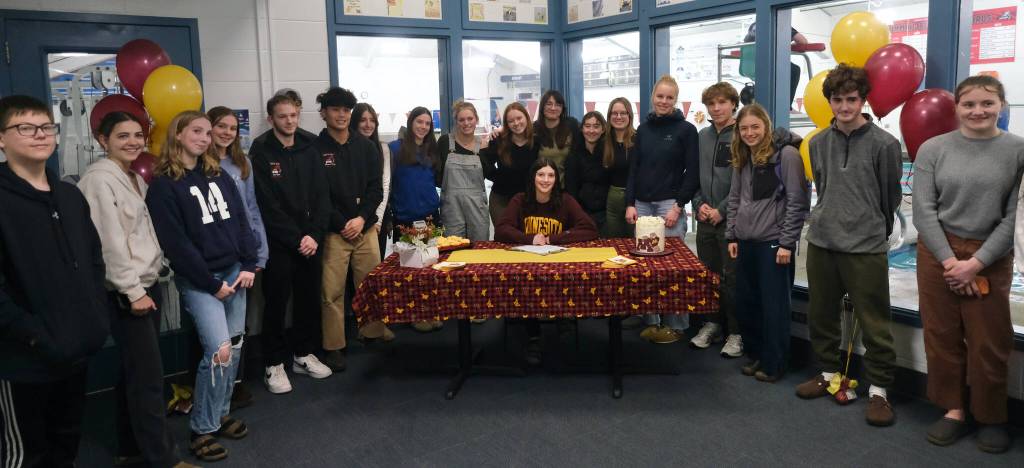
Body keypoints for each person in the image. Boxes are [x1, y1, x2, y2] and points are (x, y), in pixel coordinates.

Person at [0, 95, 110, 468]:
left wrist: (95, 317)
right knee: (27, 455)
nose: (39, 135)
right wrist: (36, 336)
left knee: (66, 443)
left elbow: (94, 261)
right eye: (25, 127)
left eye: (46, 127)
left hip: (75, 351)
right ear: (2, 138)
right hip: (24, 360)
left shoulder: (69, 195)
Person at [915, 75, 1024, 453]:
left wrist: (975, 263)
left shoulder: (1017, 151)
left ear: (1001, 106)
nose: (978, 111)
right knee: (941, 335)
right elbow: (923, 210)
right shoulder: (933, 149)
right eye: (969, 104)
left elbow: (1015, 216)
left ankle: (992, 416)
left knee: (990, 341)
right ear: (957, 107)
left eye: (987, 103)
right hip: (937, 251)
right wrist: (950, 262)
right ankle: (953, 409)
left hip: (990, 255)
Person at [79, 111, 190, 468]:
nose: (132, 142)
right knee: (148, 379)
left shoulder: (130, 177)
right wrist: (132, 292)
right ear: (102, 140)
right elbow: (108, 244)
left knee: (134, 372)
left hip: (145, 285)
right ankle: (164, 459)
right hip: (129, 293)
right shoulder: (99, 180)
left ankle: (129, 447)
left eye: (137, 135)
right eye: (122, 136)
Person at [146, 110, 258, 462]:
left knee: (235, 349)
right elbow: (176, 244)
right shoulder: (164, 185)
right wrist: (211, 284)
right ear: (177, 135)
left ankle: (220, 413)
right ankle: (202, 429)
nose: (204, 138)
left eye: (208, 133)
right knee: (218, 352)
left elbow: (241, 221)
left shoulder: (218, 174)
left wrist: (250, 263)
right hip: (201, 280)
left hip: (235, 272)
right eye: (196, 131)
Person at [796, 64, 902, 427]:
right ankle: (828, 373)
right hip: (824, 240)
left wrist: (873, 229)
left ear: (863, 100)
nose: (844, 106)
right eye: (838, 100)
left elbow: (890, 196)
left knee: (875, 322)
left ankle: (879, 391)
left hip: (865, 245)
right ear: (829, 102)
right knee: (821, 314)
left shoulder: (885, 144)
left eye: (852, 99)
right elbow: (822, 188)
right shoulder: (819, 143)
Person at [251, 93, 334, 395]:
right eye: (282, 116)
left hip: (311, 240)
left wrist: (313, 234)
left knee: (308, 299)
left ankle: (302, 354)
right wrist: (296, 237)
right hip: (279, 242)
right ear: (271, 118)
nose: (289, 121)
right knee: (275, 302)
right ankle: (273, 363)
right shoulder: (261, 150)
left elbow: (322, 195)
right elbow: (266, 205)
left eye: (294, 115)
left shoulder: (310, 144)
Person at [725, 104, 809, 383]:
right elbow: (735, 198)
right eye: (744, 128)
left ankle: (776, 362)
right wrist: (732, 234)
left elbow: (798, 202)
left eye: (755, 127)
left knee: (774, 306)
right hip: (746, 241)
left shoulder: (786, 156)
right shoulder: (743, 156)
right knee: (749, 304)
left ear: (766, 127)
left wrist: (787, 243)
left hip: (774, 243)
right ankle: (758, 355)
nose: (750, 133)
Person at [313, 87, 390, 369]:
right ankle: (334, 346)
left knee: (370, 285)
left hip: (365, 228)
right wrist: (342, 223)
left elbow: (375, 189)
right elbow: (317, 195)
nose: (342, 115)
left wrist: (361, 218)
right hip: (335, 233)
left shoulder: (365, 147)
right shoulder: (315, 149)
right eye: (335, 110)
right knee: (331, 292)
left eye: (346, 110)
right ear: (324, 113)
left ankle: (372, 334)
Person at [495, 158, 598, 364]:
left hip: (557, 260)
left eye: (551, 175)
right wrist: (529, 238)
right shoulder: (520, 199)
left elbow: (590, 228)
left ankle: (563, 320)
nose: (545, 179)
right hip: (526, 261)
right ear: (533, 177)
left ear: (556, 179)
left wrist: (553, 238)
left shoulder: (566, 200)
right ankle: (533, 335)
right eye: (540, 174)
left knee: (563, 278)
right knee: (526, 283)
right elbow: (501, 229)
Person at [625, 74, 701, 344]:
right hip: (642, 205)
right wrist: (630, 204)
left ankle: (678, 325)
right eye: (660, 96)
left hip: (670, 204)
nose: (664, 101)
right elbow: (633, 169)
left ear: (676, 100)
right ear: (652, 97)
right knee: (646, 265)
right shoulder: (643, 129)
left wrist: (678, 206)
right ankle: (652, 321)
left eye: (669, 97)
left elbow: (692, 173)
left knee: (672, 267)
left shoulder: (686, 130)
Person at [208, 105, 268, 411]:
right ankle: (212, 388)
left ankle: (236, 383)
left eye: (232, 128)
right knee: (213, 330)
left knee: (238, 326)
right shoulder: (199, 166)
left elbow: (252, 208)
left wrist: (261, 251)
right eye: (221, 126)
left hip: (244, 252)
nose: (227, 132)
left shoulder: (241, 164)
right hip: (215, 254)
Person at [690, 82, 742, 357]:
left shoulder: (742, 135)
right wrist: (698, 205)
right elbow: (696, 177)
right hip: (704, 219)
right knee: (708, 276)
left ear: (733, 104)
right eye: (712, 104)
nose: (717, 108)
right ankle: (712, 324)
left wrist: (721, 210)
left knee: (731, 278)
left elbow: (741, 183)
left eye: (722, 102)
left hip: (730, 220)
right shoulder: (703, 136)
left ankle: (735, 332)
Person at [389, 106, 443, 332]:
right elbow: (387, 183)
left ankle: (431, 310)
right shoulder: (395, 148)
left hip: (430, 216)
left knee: (431, 266)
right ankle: (414, 313)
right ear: (411, 122)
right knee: (411, 269)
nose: (423, 127)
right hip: (406, 216)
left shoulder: (432, 150)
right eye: (419, 122)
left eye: (427, 123)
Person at [435, 100, 490, 241]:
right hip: (451, 208)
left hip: (477, 208)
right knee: (452, 249)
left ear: (476, 119)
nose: (466, 123)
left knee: (479, 250)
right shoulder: (445, 142)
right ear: (456, 122)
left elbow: (491, 173)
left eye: (470, 118)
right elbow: (437, 175)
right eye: (461, 120)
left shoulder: (484, 146)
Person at [483, 102, 537, 224]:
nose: (516, 123)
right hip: (501, 199)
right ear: (506, 124)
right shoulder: (498, 141)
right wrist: (499, 177)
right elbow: (486, 164)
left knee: (527, 238)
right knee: (504, 238)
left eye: (519, 118)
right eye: (511, 121)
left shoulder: (536, 141)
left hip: (529, 201)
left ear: (526, 118)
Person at [350, 103, 392, 261]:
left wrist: (378, 221)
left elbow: (384, 186)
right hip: (351, 220)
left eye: (372, 120)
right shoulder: (347, 148)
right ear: (354, 122)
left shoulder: (383, 148)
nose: (368, 125)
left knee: (374, 270)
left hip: (375, 219)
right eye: (363, 120)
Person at [564, 110, 612, 234]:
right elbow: (571, 190)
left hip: (607, 213)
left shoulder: (609, 153)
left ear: (603, 129)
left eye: (596, 126)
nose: (591, 130)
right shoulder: (573, 156)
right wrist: (578, 214)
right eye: (587, 126)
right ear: (581, 129)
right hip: (582, 213)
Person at [743, 23, 808, 107]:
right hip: (769, 65)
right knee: (794, 69)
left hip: (750, 65)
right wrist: (786, 45)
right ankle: (786, 106)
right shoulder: (781, 23)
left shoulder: (755, 24)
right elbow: (803, 42)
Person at [604, 97, 636, 239]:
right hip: (612, 198)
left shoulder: (638, 139)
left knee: (634, 242)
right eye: (614, 113)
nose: (618, 117)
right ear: (609, 116)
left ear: (629, 115)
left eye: (623, 113)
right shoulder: (604, 140)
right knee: (614, 242)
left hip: (635, 198)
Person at [533, 90, 580, 185]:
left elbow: (590, 130)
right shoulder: (534, 129)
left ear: (562, 108)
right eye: (549, 104)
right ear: (542, 107)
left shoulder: (572, 125)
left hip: (566, 187)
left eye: (558, 105)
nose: (553, 108)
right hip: (541, 186)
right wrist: (501, 130)